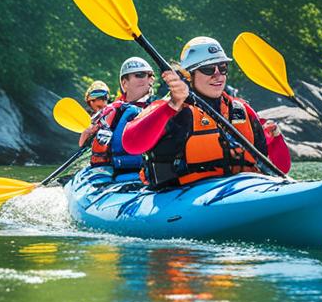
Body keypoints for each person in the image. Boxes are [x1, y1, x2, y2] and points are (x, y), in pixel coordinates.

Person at [122, 36, 290, 189]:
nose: (218, 75)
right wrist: (172, 105)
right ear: (189, 75)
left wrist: (275, 139)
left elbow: (281, 168)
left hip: (241, 188)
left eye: (223, 68)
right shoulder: (169, 108)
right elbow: (131, 144)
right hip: (179, 196)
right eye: (209, 69)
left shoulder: (241, 110)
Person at [80, 58, 157, 179]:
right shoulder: (112, 111)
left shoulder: (160, 107)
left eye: (150, 75)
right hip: (118, 173)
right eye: (140, 75)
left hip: (152, 173)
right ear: (125, 83)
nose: (148, 79)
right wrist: (88, 133)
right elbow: (83, 143)